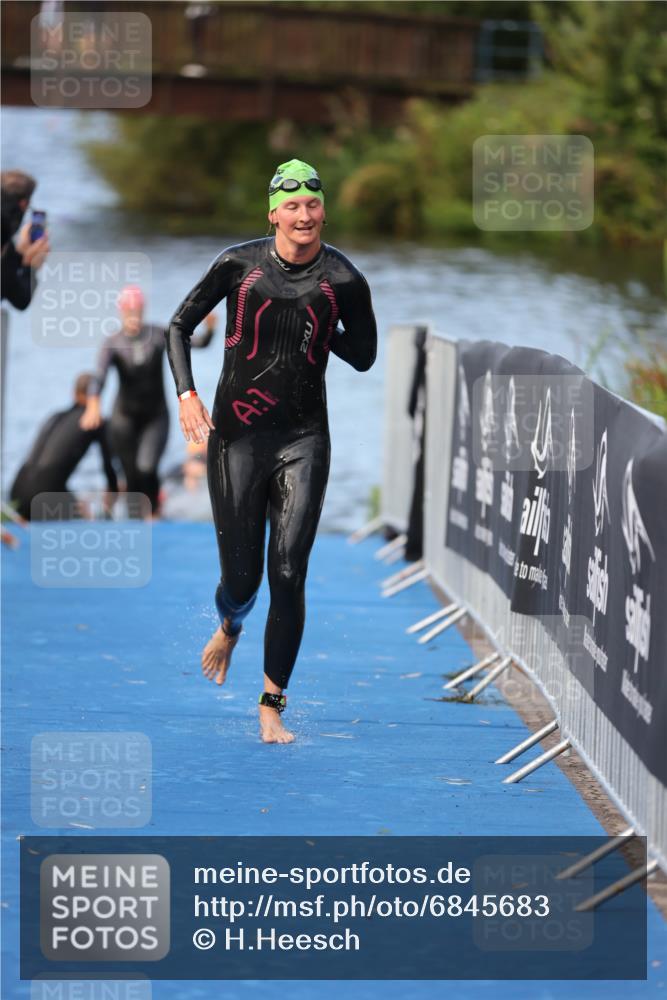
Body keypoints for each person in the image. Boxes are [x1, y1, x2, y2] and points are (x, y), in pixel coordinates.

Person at [166, 158, 377, 744]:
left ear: (324, 212)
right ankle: (230, 625)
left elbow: (364, 357)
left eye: (312, 204)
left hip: (303, 439)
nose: (303, 215)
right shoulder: (239, 265)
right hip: (237, 439)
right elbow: (178, 327)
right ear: (273, 215)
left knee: (288, 572)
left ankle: (270, 704)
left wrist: (322, 324)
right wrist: (187, 395)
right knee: (242, 580)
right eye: (292, 206)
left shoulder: (345, 280)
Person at [80, 285, 216, 517]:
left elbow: (195, 343)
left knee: (147, 467)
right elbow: (99, 376)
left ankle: (154, 514)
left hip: (156, 417)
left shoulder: (157, 335)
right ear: (121, 311)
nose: (133, 314)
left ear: (143, 310)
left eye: (137, 310)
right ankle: (136, 520)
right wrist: (94, 402)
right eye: (128, 310)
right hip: (123, 419)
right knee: (132, 477)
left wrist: (210, 329)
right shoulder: (113, 342)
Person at [10, 373, 118, 521]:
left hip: (16, 493)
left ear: (74, 393)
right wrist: (113, 496)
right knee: (86, 516)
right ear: (96, 397)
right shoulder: (94, 422)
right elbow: (108, 467)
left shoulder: (54, 416)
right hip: (44, 497)